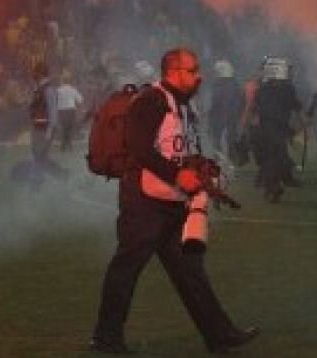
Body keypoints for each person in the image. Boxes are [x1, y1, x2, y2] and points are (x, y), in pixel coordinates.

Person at [91, 48, 258, 354]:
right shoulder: (151, 100)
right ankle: (106, 337)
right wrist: (177, 174)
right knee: (126, 270)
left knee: (190, 272)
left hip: (170, 201)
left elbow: (177, 148)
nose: (199, 76)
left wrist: (204, 167)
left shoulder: (181, 103)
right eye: (192, 70)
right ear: (172, 72)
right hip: (144, 203)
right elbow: (139, 148)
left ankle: (220, 335)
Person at [248, 57, 303, 203]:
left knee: (271, 159)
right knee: (275, 158)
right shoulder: (287, 89)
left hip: (267, 129)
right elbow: (296, 108)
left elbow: (255, 110)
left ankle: (272, 186)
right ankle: (273, 186)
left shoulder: (263, 89)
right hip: (277, 129)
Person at [206, 60, 244, 157]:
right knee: (230, 138)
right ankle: (230, 157)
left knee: (219, 139)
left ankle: (221, 157)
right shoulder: (235, 85)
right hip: (231, 116)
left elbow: (215, 102)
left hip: (221, 117)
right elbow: (240, 101)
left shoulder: (218, 85)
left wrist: (210, 117)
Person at [56, 70, 85, 153]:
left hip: (61, 111)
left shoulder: (58, 90)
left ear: (63, 80)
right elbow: (80, 99)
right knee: (69, 128)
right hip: (71, 111)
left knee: (64, 128)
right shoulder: (73, 90)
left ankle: (64, 146)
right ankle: (68, 146)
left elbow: (55, 100)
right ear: (69, 81)